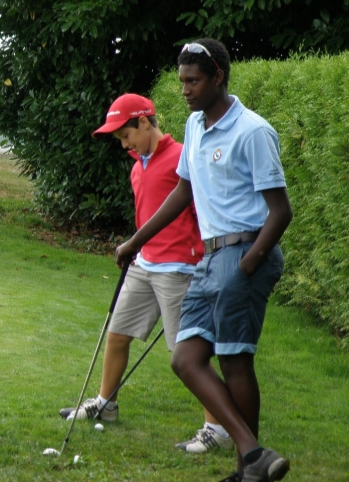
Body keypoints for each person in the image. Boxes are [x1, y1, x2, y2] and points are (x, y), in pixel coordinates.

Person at [115, 39, 293, 482]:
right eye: (181, 82)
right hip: (209, 258)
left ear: (218, 77)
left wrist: (249, 262)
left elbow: (281, 211)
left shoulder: (252, 131)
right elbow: (182, 192)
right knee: (186, 360)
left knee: (235, 362)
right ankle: (255, 455)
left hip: (244, 253)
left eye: (193, 81)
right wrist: (135, 241)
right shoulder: (195, 126)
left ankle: (246, 468)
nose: (186, 90)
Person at [59, 93, 233, 454]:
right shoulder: (138, 165)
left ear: (143, 122)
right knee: (117, 334)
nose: (124, 144)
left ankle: (217, 428)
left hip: (180, 270)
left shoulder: (182, 157)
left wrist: (206, 259)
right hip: (144, 265)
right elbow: (147, 219)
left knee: (189, 353)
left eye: (126, 135)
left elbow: (204, 212)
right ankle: (106, 403)